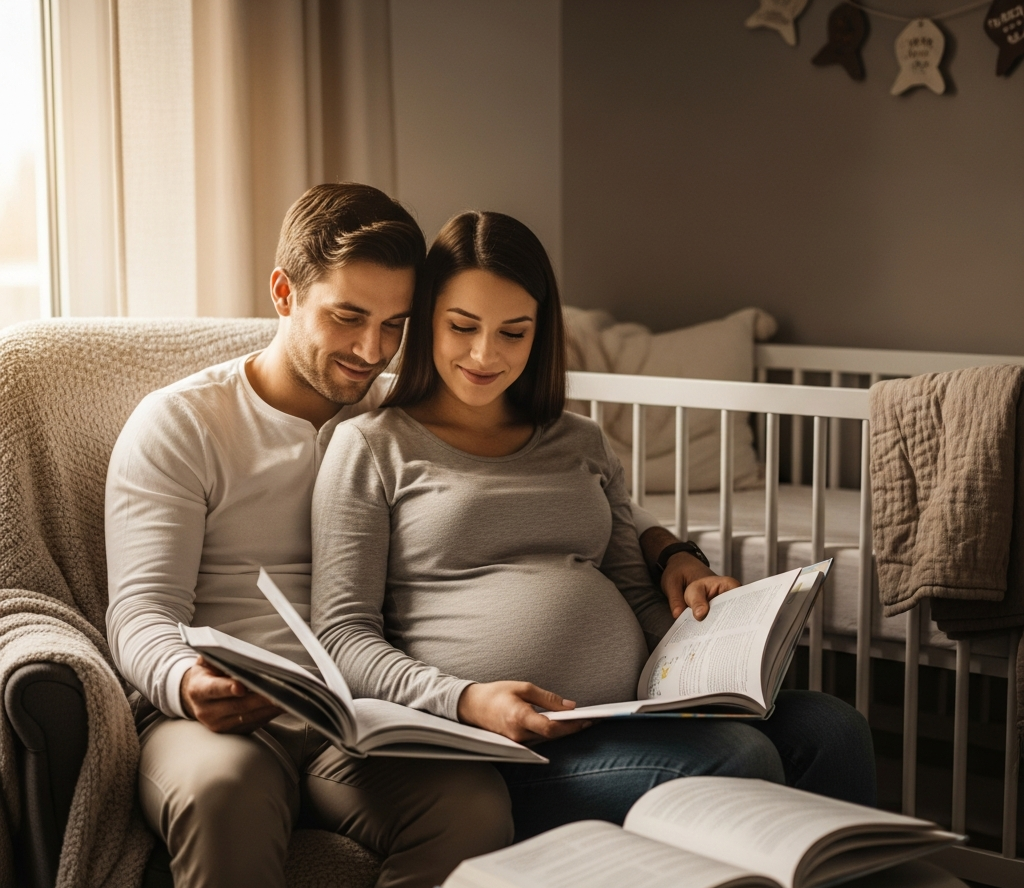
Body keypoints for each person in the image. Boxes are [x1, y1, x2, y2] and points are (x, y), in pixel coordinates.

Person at [310, 210, 877, 844]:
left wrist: (714, 656)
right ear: (426, 322)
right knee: (737, 760)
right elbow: (341, 634)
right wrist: (465, 699)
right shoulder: (371, 445)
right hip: (497, 747)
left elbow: (633, 588)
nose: (485, 354)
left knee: (833, 730)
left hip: (630, 714)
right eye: (462, 327)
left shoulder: (580, 440)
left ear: (540, 332)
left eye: (513, 332)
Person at [105, 184, 526, 888]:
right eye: (347, 317)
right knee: (223, 793)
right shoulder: (184, 423)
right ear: (283, 292)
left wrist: (661, 546)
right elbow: (141, 613)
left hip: (355, 720)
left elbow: (553, 470)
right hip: (214, 718)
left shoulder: (400, 420)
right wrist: (188, 682)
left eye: (396, 324)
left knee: (474, 811)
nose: (372, 349)